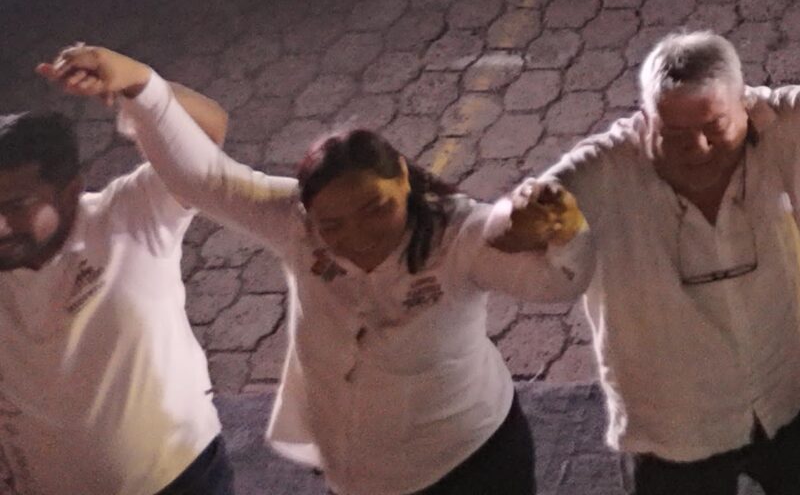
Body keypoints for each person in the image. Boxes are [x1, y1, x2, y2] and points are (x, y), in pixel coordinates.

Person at [35, 45, 570, 495]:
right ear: (308, 216)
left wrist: (551, 229)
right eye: (332, 224)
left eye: (376, 209)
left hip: (471, 467)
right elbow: (204, 179)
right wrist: (140, 84)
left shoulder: (457, 235)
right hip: (358, 479)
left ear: (404, 178)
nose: (358, 237)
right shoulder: (295, 226)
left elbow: (553, 280)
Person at [493, 30, 800, 495]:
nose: (699, 148)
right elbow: (504, 230)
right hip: (676, 431)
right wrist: (522, 214)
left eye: (713, 127)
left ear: (745, 103)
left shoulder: (788, 121)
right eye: (675, 135)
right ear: (645, 120)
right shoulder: (602, 170)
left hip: (796, 391)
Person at [0, 74, 232, 495]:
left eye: (15, 206)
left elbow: (208, 132)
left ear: (70, 191)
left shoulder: (130, 216)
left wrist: (136, 84)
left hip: (183, 476)